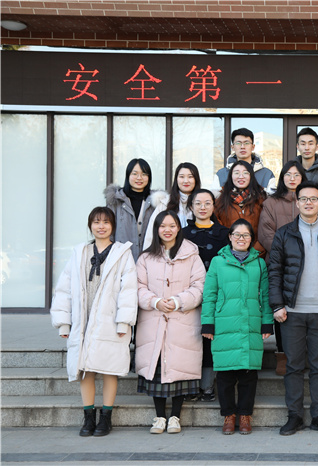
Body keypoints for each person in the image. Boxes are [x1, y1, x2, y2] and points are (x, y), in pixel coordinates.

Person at [50, 207, 138, 437]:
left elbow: (129, 290)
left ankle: (105, 418)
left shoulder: (122, 253)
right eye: (97, 222)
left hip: (110, 321)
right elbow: (64, 288)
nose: (101, 226)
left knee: (109, 370)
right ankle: (88, 418)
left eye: (106, 222)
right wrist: (64, 322)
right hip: (83, 321)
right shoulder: (80, 252)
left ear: (112, 226)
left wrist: (124, 322)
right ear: (90, 225)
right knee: (85, 371)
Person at [268, 180, 318, 436]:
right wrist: (277, 304)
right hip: (292, 311)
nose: (309, 203)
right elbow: (275, 271)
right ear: (297, 203)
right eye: (304, 199)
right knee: (293, 366)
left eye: (313, 199)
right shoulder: (284, 234)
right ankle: (295, 416)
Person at [135, 211, 206, 435]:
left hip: (182, 319)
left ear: (178, 228)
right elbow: (137, 287)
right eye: (163, 226)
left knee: (179, 368)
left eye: (172, 225)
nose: (167, 230)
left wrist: (177, 301)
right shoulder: (146, 258)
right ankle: (159, 417)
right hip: (153, 319)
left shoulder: (191, 254)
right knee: (156, 368)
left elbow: (200, 286)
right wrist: (155, 301)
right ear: (156, 229)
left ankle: (175, 416)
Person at [201, 219, 273, 435]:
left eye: (246, 235)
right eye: (237, 234)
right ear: (230, 237)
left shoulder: (259, 264)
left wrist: (266, 322)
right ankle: (228, 416)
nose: (241, 239)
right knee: (225, 374)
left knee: (248, 374)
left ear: (251, 239)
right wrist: (207, 323)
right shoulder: (218, 262)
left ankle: (245, 415)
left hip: (250, 323)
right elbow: (209, 294)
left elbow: (265, 296)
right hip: (224, 323)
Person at [257, 160, 307, 376]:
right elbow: (265, 232)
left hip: (306, 265)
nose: (292, 178)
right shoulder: (271, 203)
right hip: (278, 264)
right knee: (280, 309)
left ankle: (300, 355)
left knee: (302, 309)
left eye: (296, 175)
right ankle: (282, 354)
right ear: (282, 178)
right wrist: (286, 254)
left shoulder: (308, 200)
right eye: (288, 174)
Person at [182, 189, 230, 402]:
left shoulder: (225, 234)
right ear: (191, 207)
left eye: (207, 203)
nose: (203, 207)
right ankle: (190, 385)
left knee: (210, 338)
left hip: (216, 294)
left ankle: (208, 386)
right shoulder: (182, 234)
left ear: (213, 206)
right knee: (190, 339)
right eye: (198, 203)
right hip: (188, 294)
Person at [105, 158, 163, 261]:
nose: (139, 178)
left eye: (144, 174)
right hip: (121, 260)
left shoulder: (157, 203)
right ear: (128, 175)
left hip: (150, 261)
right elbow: (108, 233)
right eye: (135, 174)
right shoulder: (116, 201)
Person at [143, 162, 201, 250]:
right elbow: (151, 233)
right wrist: (148, 255)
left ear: (196, 179)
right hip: (167, 253)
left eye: (190, 177)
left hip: (195, 253)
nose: (186, 181)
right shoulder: (165, 203)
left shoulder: (203, 204)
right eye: (181, 177)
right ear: (176, 179)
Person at [214, 160, 267, 255]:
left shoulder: (262, 199)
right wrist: (229, 251)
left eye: (245, 173)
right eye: (236, 173)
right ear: (231, 176)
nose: (241, 176)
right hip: (228, 255)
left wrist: (255, 252)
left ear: (251, 176)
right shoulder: (220, 200)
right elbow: (217, 226)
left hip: (256, 255)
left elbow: (266, 228)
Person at [216, 128, 276, 194]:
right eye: (238, 143)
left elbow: (271, 199)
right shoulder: (221, 174)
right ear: (232, 147)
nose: (242, 147)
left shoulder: (267, 174)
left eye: (246, 143)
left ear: (253, 147)